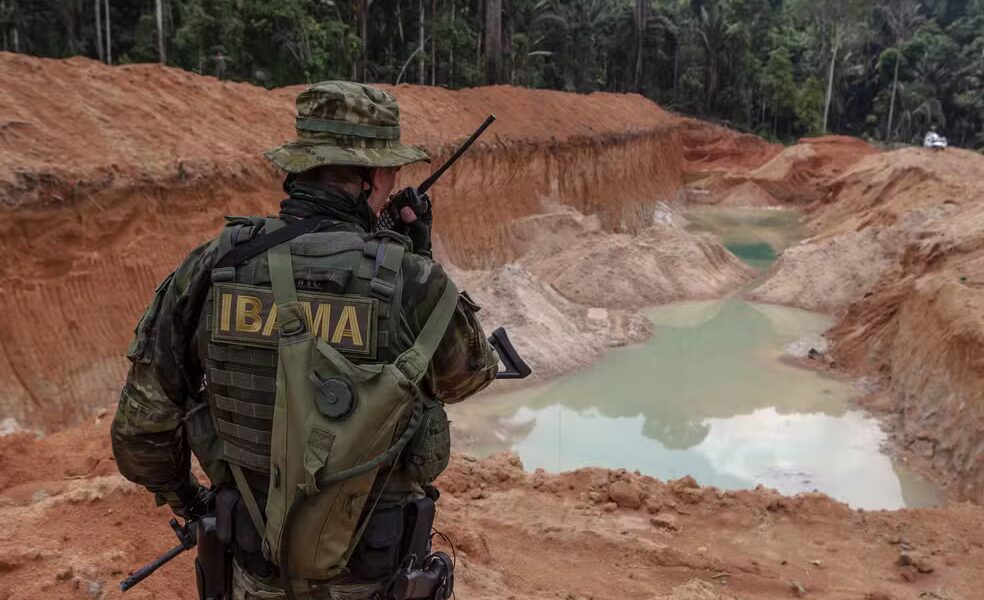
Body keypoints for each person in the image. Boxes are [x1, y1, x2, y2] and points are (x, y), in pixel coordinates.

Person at [111, 81, 500, 599]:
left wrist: (197, 504)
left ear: (301, 167)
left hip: (254, 558)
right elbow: (467, 375)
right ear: (372, 176)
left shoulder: (215, 267)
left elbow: (141, 428)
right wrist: (417, 254)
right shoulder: (409, 279)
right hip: (374, 567)